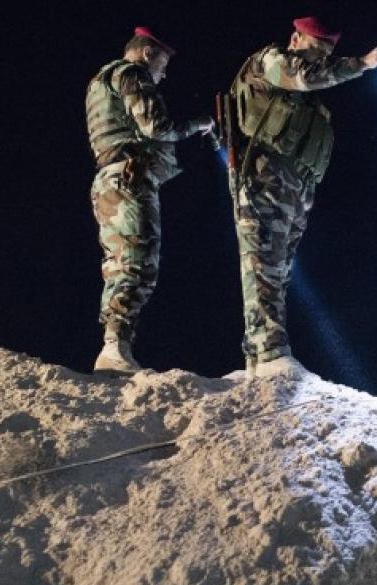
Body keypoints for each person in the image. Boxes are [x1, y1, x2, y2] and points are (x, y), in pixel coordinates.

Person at [227, 16, 377, 377]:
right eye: (316, 49)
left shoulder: (307, 90)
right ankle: (269, 350)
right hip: (265, 175)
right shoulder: (270, 60)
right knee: (264, 261)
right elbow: (303, 76)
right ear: (295, 38)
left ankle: (260, 357)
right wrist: (362, 63)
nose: (320, 59)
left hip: (295, 184)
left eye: (327, 53)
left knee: (281, 269)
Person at [85, 27, 214, 374]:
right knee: (139, 263)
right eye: (162, 64)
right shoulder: (131, 73)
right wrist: (198, 125)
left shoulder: (101, 80)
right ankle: (115, 349)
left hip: (109, 180)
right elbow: (156, 127)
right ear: (146, 53)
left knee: (119, 263)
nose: (163, 73)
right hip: (130, 179)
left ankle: (113, 347)